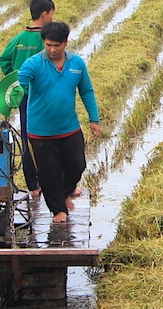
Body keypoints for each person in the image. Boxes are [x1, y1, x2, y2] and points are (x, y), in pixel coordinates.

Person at [17, 21, 101, 223]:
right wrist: (15, 89)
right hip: (40, 130)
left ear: (66, 42)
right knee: (48, 172)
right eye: (48, 45)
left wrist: (94, 119)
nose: (52, 49)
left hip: (69, 127)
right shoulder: (34, 64)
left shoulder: (76, 64)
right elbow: (19, 82)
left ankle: (64, 194)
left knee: (77, 164)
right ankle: (58, 210)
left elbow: (86, 91)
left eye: (56, 45)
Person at [0, 0, 55, 195]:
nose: (53, 19)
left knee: (26, 136)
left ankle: (33, 186)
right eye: (52, 14)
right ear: (45, 14)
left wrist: (13, 79)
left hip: (23, 96)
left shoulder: (19, 39)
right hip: (42, 97)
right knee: (47, 138)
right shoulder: (46, 41)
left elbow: (4, 59)